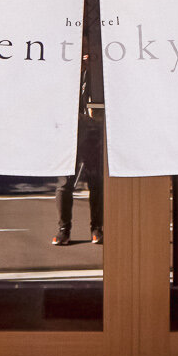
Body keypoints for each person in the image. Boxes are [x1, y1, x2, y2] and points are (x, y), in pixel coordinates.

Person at [53, 98, 105, 246]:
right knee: (65, 182)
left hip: (95, 128)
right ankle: (64, 230)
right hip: (69, 128)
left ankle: (97, 229)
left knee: (96, 181)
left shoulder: (96, 80)